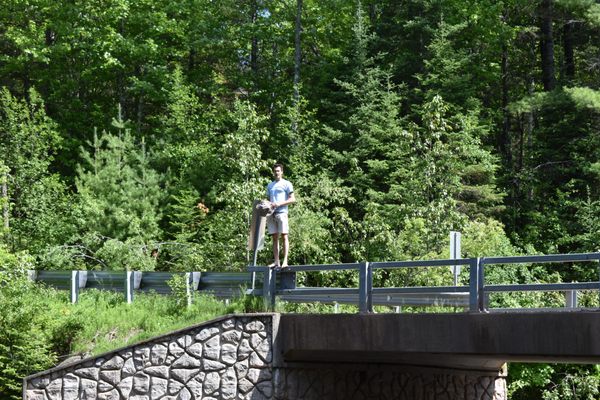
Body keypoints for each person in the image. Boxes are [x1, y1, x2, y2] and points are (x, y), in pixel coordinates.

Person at [266, 163, 295, 268]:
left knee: (284, 236)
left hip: (282, 212)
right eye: (275, 171)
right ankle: (277, 261)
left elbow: (292, 199)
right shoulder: (270, 185)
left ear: (282, 172)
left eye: (278, 171)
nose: (276, 173)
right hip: (271, 214)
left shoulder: (287, 183)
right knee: (274, 238)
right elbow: (269, 200)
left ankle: (285, 261)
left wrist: (279, 203)